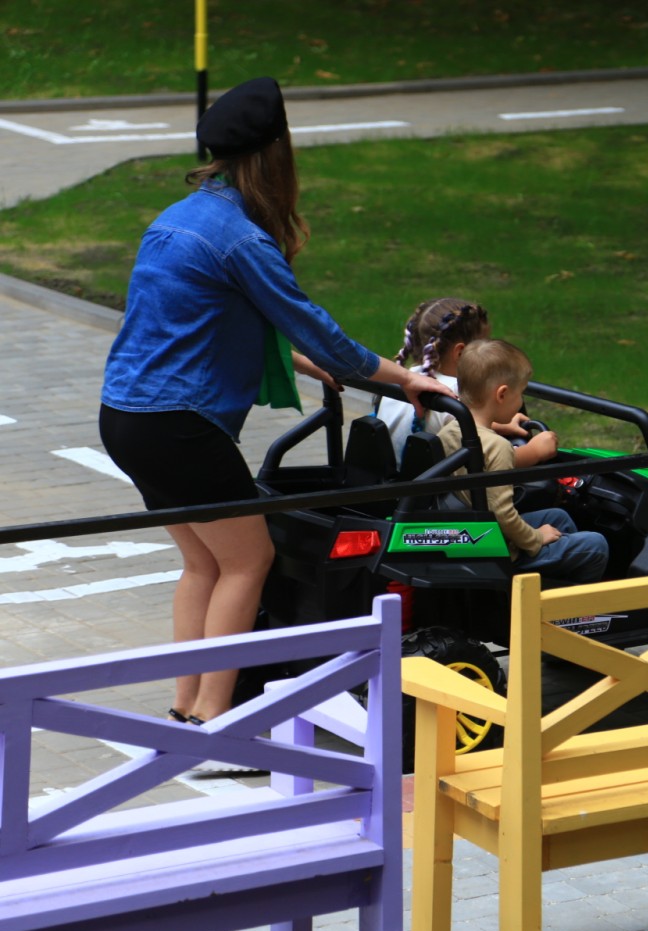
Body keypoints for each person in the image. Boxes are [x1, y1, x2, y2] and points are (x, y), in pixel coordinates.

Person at [98, 77, 454, 740]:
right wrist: (402, 375)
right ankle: (215, 719)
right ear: (273, 156)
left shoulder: (175, 219)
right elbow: (320, 331)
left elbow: (195, 324)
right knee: (246, 561)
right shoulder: (241, 240)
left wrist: (303, 363)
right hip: (178, 426)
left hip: (126, 417)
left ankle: (185, 710)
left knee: (204, 564)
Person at [437, 339, 608, 584]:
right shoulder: (497, 447)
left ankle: (553, 582)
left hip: (473, 528)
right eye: (520, 393)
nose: (521, 401)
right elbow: (503, 514)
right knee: (596, 545)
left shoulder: (451, 429)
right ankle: (573, 604)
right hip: (502, 552)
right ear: (502, 394)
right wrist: (535, 538)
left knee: (558, 517)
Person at [374, 297, 556, 468]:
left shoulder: (404, 379)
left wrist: (501, 426)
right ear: (460, 353)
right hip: (433, 487)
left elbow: (451, 423)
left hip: (393, 477)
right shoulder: (453, 394)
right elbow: (487, 463)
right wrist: (534, 451)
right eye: (484, 347)